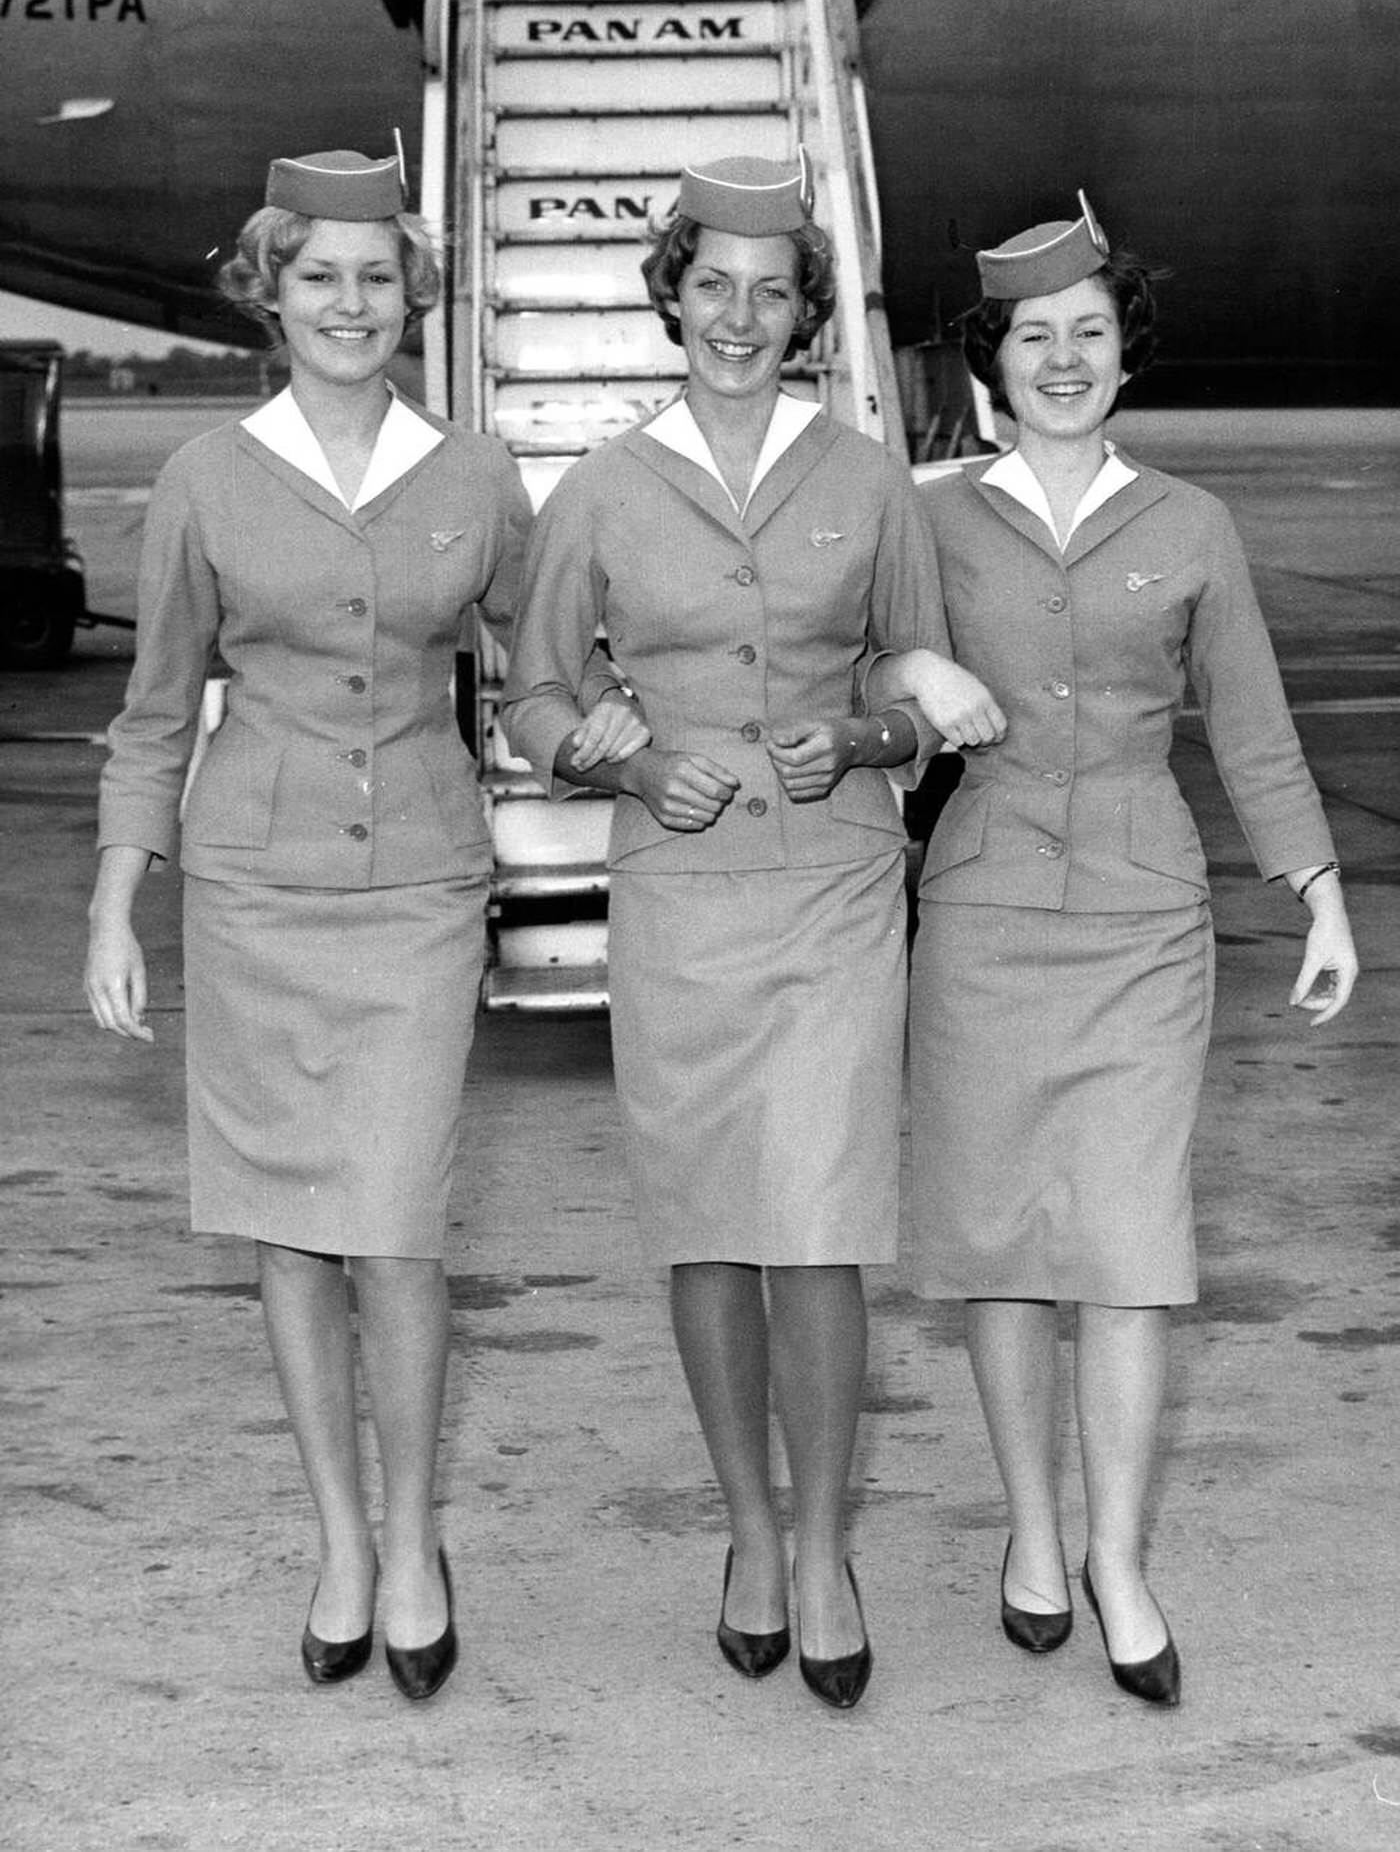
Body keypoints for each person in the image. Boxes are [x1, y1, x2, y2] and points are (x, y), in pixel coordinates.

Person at [83, 147, 640, 1700]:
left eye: (377, 276)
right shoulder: (205, 477)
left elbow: (545, 662)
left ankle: (411, 1537)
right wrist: (120, 899)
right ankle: (340, 1537)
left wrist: (628, 728)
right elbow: (151, 712)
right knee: (288, 1234)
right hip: (254, 888)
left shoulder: (472, 473)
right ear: (270, 290)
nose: (349, 302)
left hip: (415, 888)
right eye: (317, 274)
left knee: (393, 1227)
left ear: (416, 295)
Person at [500, 153, 1003, 1709]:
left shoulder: (864, 478)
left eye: (770, 289)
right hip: (679, 886)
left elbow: (925, 680)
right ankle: (745, 1530)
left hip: (840, 885)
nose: (738, 314)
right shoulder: (598, 485)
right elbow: (530, 695)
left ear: (805, 312)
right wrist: (635, 761)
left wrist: (864, 742)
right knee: (708, 1220)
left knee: (822, 1224)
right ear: (670, 294)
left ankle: (829, 1544)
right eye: (710, 283)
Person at [869, 193, 1359, 1705]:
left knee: (1134, 1256)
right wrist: (911, 657)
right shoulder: (933, 515)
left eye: (1089, 334)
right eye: (1036, 338)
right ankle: (1031, 1530)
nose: (1064, 359)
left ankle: (1120, 1558)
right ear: (990, 365)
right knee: (1002, 1244)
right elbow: (858, 652)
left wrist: (1319, 886)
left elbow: (1255, 723)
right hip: (986, 906)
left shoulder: (1190, 523)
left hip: (1148, 920)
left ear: (1122, 356)